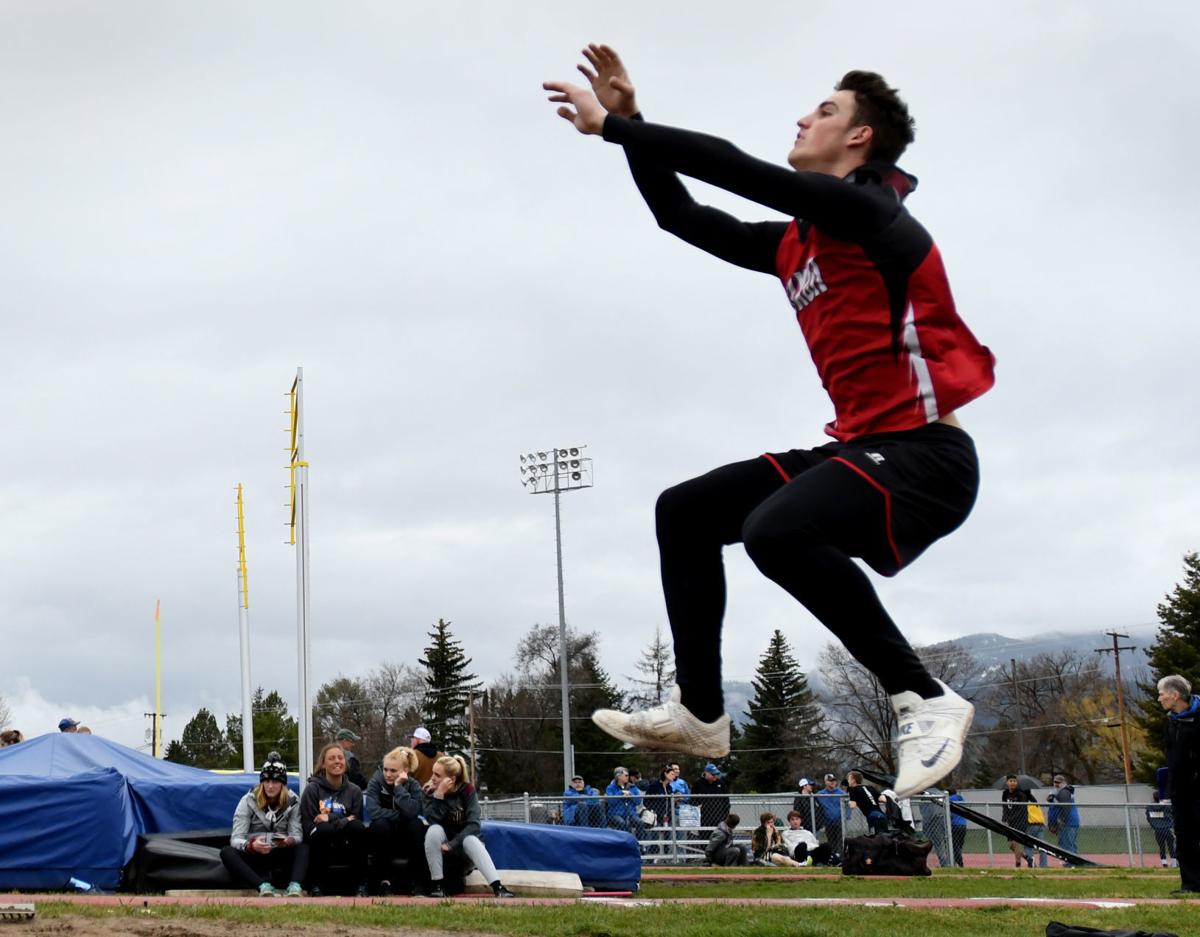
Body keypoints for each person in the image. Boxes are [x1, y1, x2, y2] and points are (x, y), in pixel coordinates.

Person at [547, 44, 991, 801]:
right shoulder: (795, 243)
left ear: (859, 138)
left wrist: (613, 130)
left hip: (928, 460)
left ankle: (926, 697)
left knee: (775, 531)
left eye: (824, 111)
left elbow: (734, 167)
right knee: (685, 511)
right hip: (862, 447)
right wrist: (633, 123)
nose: (802, 116)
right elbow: (682, 214)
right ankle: (701, 713)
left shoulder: (871, 213)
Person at [420, 754, 514, 898]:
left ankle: (498, 887)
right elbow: (433, 820)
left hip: (463, 849)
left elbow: (474, 825)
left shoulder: (467, 790)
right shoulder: (428, 791)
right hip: (442, 852)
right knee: (433, 830)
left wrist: (452, 844)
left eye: (437, 775)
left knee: (470, 839)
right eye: (433, 773)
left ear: (451, 779)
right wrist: (439, 795)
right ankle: (438, 886)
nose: (432, 778)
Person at [220, 758, 307, 897]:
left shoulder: (293, 802)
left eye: (275, 782)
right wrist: (251, 846)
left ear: (283, 784)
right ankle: (262, 886)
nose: (270, 786)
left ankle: (295, 886)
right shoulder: (248, 800)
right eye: (266, 781)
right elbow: (236, 838)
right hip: (255, 854)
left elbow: (297, 835)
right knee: (226, 852)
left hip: (280, 853)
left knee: (303, 848)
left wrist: (287, 841)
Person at [300, 742, 368, 897]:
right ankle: (316, 885)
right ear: (323, 764)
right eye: (331, 758)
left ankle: (361, 885)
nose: (337, 761)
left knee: (358, 829)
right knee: (323, 829)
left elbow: (356, 819)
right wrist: (343, 820)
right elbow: (308, 824)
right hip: (320, 838)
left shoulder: (354, 791)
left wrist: (330, 817)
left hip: (346, 838)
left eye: (340, 758)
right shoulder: (312, 789)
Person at [365, 746, 426, 896]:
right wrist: (401, 815)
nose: (388, 774)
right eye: (385, 769)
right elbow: (373, 811)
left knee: (416, 826)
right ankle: (384, 882)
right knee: (380, 825)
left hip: (405, 833)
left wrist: (399, 788)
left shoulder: (413, 785)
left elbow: (414, 811)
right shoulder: (376, 783)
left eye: (393, 771)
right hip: (385, 832)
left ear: (405, 771)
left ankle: (417, 883)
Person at [1159, 674, 1200, 895]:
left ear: (1175, 695)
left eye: (1162, 693)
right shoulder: (1171, 722)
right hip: (1179, 791)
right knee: (1184, 838)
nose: (1159, 698)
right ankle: (1191, 884)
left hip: (1197, 789)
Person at [1000, 774, 1034, 868]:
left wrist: (1012, 819)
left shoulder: (1020, 794)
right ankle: (1027, 858)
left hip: (1020, 822)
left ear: (1017, 782)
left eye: (1014, 781)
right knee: (1011, 845)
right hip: (1010, 822)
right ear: (1007, 783)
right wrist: (1004, 819)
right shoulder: (1005, 793)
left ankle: (1018, 864)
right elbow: (1005, 807)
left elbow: (1021, 809)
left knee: (1016, 843)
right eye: (1010, 781)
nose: (1012, 783)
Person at [1046, 772, 1081, 864]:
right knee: (1068, 844)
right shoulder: (1060, 793)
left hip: (1067, 822)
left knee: (1067, 845)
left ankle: (1071, 864)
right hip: (1068, 822)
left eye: (1058, 782)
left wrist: (1060, 822)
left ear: (1064, 783)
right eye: (1055, 782)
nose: (1056, 784)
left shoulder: (1064, 792)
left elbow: (1065, 808)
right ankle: (1074, 864)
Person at [605, 767, 646, 838]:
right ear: (619, 776)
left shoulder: (632, 787)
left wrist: (631, 795)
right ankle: (624, 843)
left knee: (640, 823)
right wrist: (621, 794)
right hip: (615, 814)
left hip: (631, 814)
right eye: (626, 775)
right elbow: (611, 801)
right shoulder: (610, 787)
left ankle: (639, 845)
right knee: (622, 823)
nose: (628, 777)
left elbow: (638, 801)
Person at [846, 771, 887, 836]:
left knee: (876, 841)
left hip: (872, 817)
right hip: (883, 816)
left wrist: (849, 802)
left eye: (848, 779)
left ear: (853, 780)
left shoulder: (853, 789)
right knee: (886, 840)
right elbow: (883, 799)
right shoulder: (870, 787)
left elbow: (853, 806)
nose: (848, 781)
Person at [692, 763, 730, 829]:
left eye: (716, 774)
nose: (715, 776)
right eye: (713, 774)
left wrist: (725, 815)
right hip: (704, 818)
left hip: (719, 817)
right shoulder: (698, 784)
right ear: (706, 773)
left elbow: (726, 800)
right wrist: (697, 806)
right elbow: (693, 799)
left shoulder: (720, 783)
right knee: (704, 837)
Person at [816, 774, 846, 854]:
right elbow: (816, 806)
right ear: (825, 782)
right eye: (830, 780)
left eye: (834, 780)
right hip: (828, 822)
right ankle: (832, 857)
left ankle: (840, 857)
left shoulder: (841, 793)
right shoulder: (820, 794)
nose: (832, 782)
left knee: (840, 841)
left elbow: (848, 807)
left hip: (840, 822)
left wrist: (846, 817)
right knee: (831, 841)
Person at [1147, 791, 1177, 868]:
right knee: (1171, 847)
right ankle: (1174, 864)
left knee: (1162, 847)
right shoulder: (1166, 806)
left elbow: (1148, 817)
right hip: (1167, 829)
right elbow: (1171, 814)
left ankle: (1164, 863)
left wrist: (1155, 825)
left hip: (1158, 830)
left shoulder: (1150, 807)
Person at [948, 789, 967, 867]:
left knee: (955, 845)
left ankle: (960, 863)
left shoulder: (949, 799)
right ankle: (956, 860)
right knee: (960, 844)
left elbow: (950, 814)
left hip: (954, 825)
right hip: (963, 824)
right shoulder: (961, 798)